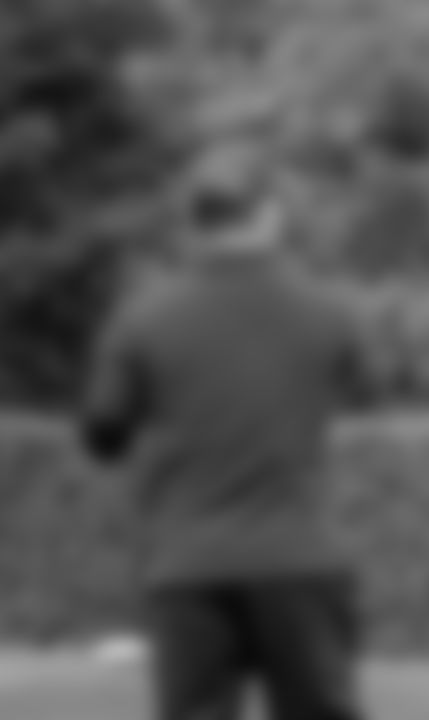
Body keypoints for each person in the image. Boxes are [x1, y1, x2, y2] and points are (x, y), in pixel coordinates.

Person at [79, 161, 371, 720]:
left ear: (191, 222)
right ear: (270, 215)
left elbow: (103, 432)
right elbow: (359, 393)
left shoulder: (143, 317)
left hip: (187, 564)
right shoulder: (328, 312)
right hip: (299, 558)